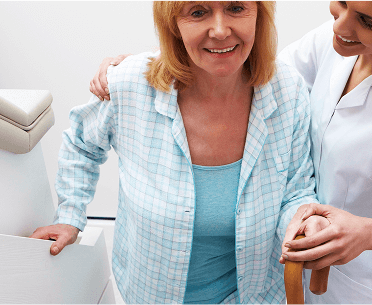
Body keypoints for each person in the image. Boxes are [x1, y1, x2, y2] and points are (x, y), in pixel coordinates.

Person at [89, 1, 372, 304]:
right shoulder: (337, 45)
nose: (342, 25)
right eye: (342, 1)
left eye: (368, 21)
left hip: (370, 289)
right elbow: (246, 70)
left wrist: (368, 234)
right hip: (296, 275)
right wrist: (147, 70)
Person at [31, 1, 322, 304]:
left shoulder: (288, 91)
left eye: (236, 7)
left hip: (255, 296)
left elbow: (296, 190)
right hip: (149, 293)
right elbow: (82, 143)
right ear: (173, 24)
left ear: (259, 14)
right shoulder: (130, 83)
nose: (220, 30)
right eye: (198, 12)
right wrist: (69, 215)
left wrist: (306, 223)